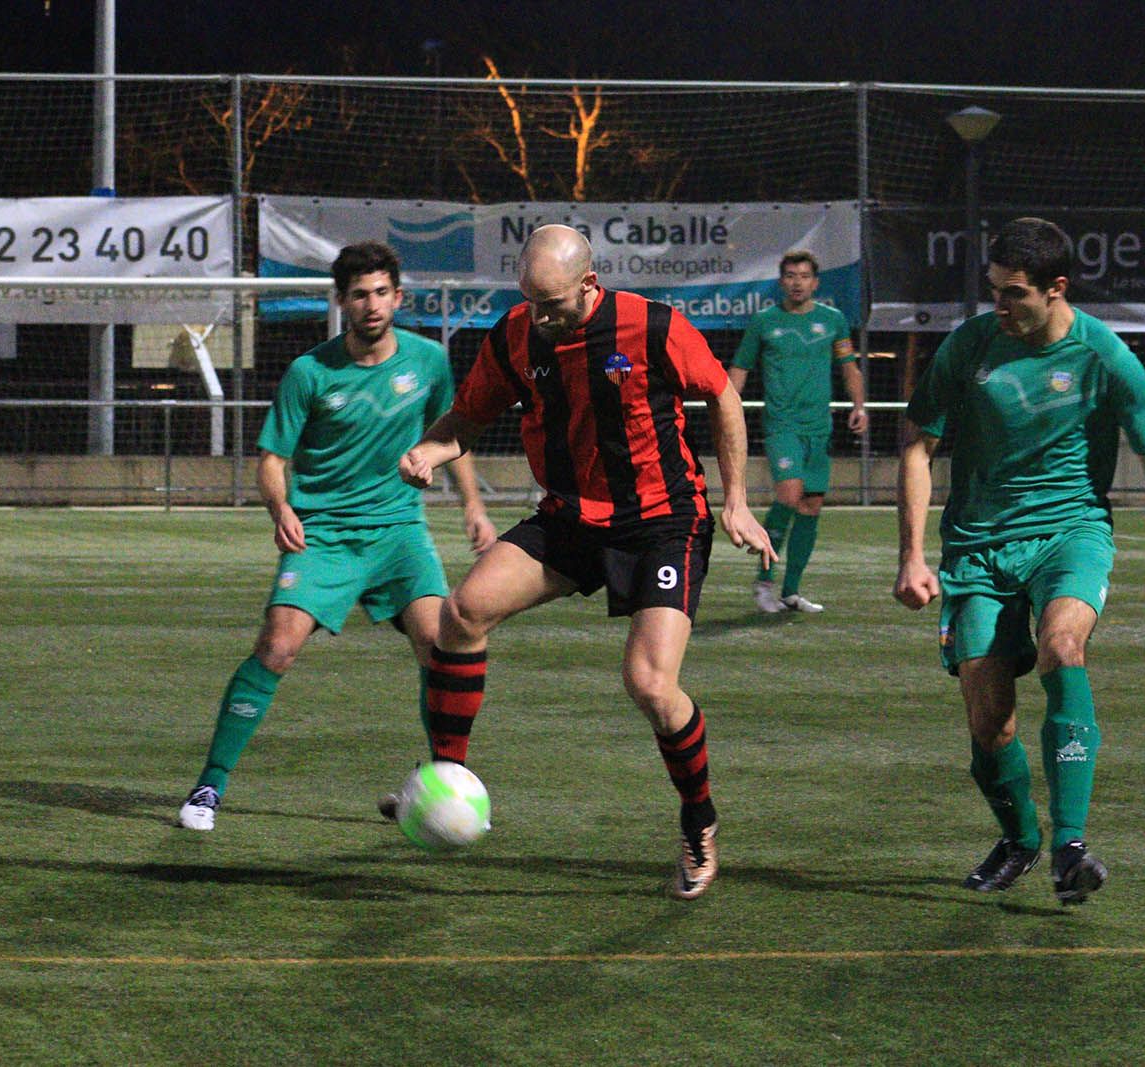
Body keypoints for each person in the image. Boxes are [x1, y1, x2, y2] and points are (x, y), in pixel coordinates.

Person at [398, 224, 776, 900]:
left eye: (555, 304)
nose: (541, 318)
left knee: (651, 685)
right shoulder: (516, 333)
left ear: (591, 286)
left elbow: (721, 393)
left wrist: (738, 499)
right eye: (532, 303)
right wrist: (431, 450)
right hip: (572, 518)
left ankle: (699, 818)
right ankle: (445, 780)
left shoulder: (652, 325)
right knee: (462, 613)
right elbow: (468, 417)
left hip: (662, 520)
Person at [893, 217, 1145, 904]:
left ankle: (1071, 847)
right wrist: (912, 554)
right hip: (978, 544)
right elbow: (919, 447)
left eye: (1013, 294)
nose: (998, 306)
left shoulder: (1105, 355)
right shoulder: (969, 348)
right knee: (989, 720)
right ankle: (1021, 839)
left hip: (1072, 531)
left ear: (1056, 289)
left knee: (1063, 646)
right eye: (994, 291)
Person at [178, 242, 495, 832]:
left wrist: (473, 506)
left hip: (399, 530)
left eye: (381, 293)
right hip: (324, 533)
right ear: (341, 302)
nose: (371, 305)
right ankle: (209, 786)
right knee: (278, 645)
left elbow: (453, 434)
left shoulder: (428, 362)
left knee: (441, 645)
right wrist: (279, 508)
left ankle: (444, 786)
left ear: (398, 298)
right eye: (359, 295)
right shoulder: (310, 371)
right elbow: (272, 459)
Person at [729, 251, 867, 613]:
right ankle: (764, 581)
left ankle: (791, 591)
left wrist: (858, 406)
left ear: (815, 283)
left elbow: (849, 367)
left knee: (811, 505)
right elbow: (740, 369)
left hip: (819, 427)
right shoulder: (764, 322)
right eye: (790, 275)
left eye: (804, 276)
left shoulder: (833, 321)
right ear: (781, 281)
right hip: (781, 426)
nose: (797, 282)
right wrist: (726, 411)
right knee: (789, 496)